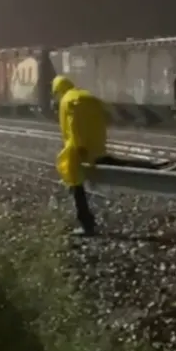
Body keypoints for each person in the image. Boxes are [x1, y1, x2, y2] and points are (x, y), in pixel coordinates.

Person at [52, 75, 108, 237]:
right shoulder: (86, 96)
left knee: (74, 182)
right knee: (110, 162)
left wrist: (80, 148)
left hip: (78, 149)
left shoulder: (67, 101)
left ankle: (86, 224)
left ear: (58, 91)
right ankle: (154, 167)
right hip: (98, 147)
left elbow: (73, 127)